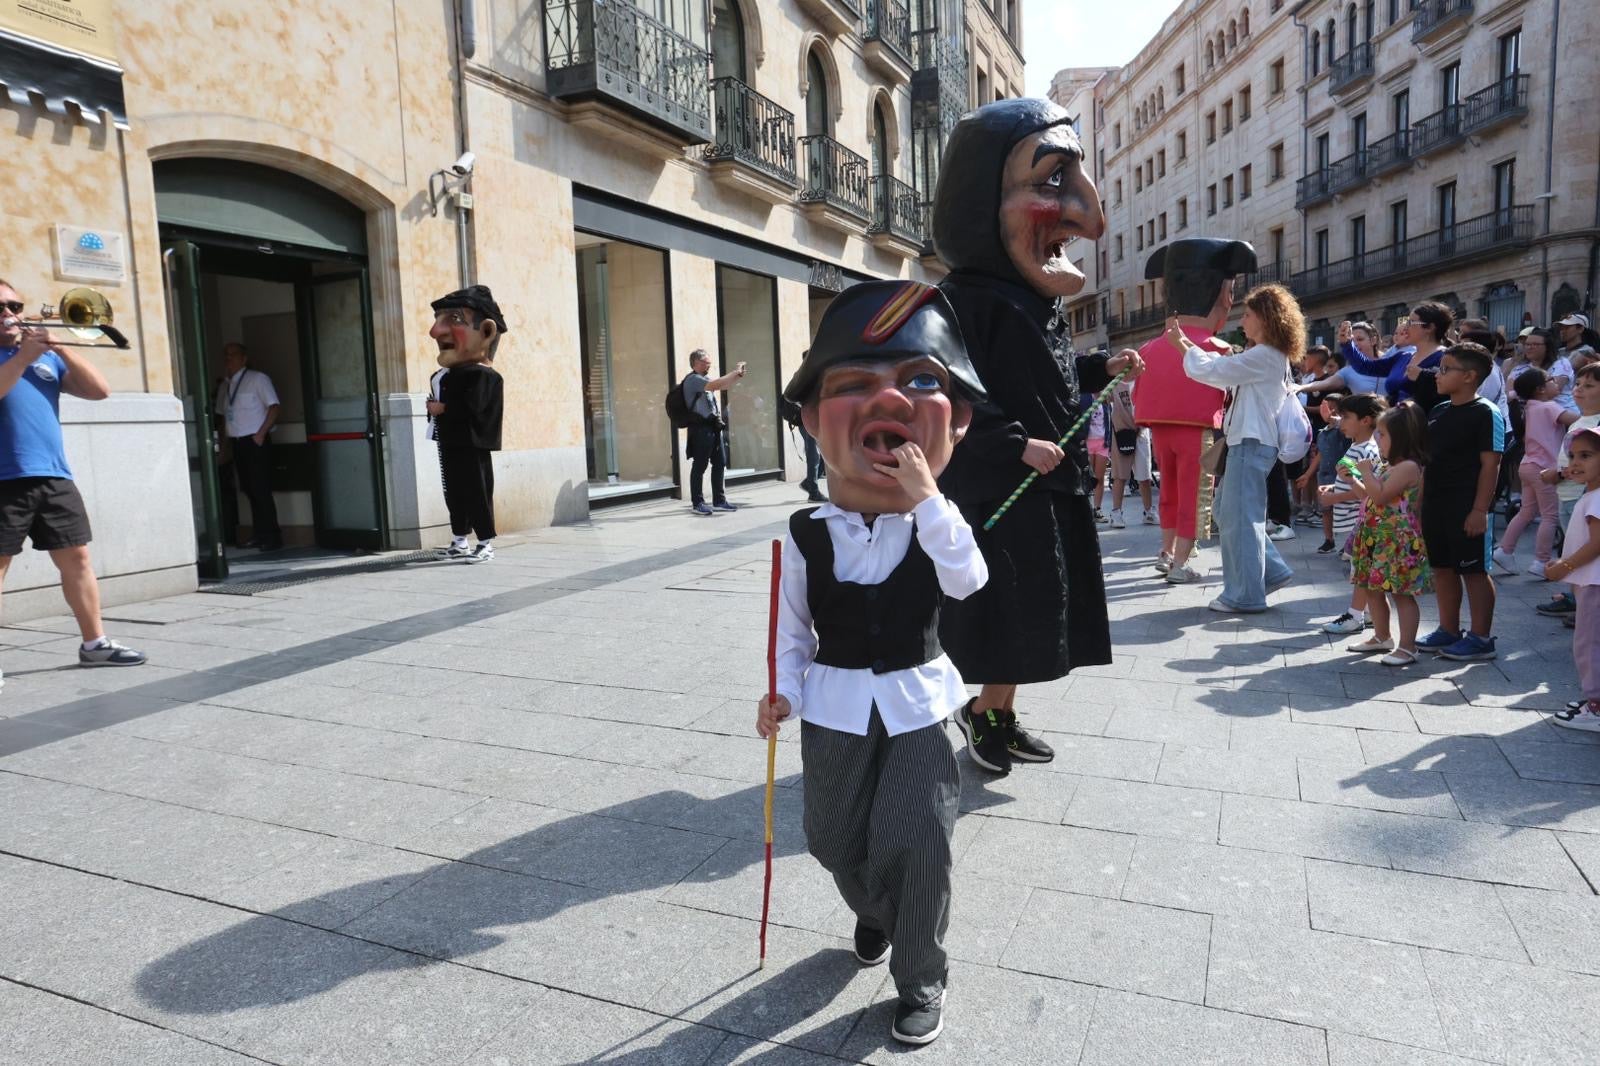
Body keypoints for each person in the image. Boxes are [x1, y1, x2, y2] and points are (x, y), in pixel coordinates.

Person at [757, 280, 988, 1046]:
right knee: (830, 839)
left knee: (920, 841)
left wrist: (925, 500)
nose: (889, 402)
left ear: (956, 420)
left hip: (921, 706)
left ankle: (921, 975)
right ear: (813, 422)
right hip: (834, 707)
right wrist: (780, 694)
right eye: (853, 385)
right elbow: (790, 631)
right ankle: (875, 912)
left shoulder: (938, 523)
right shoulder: (804, 532)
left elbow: (968, 581)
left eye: (921, 382)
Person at [929, 98, 1144, 775]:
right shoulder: (965, 299)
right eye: (1051, 180)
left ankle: (998, 710)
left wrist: (1096, 366)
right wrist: (1014, 442)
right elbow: (946, 390)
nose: (1085, 214)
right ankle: (985, 711)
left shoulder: (1034, 298)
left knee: (1037, 610)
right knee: (1007, 607)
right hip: (1002, 486)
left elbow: (1038, 372)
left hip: (1049, 484)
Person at [0, 278, 147, 681]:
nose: (11, 315)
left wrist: (58, 347)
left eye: (15, 306)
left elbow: (99, 391)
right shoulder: (19, 357)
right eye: (1, 309)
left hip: (53, 473)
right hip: (3, 477)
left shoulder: (44, 356)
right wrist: (22, 358)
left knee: (78, 559)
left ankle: (94, 644)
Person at [1167, 282, 1303, 614]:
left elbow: (1217, 371)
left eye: (1249, 315)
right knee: (1231, 514)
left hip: (1251, 443)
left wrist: (1182, 343)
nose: (1242, 322)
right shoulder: (1267, 356)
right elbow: (1223, 374)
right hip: (1249, 443)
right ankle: (1270, 572)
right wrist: (1184, 343)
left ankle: (1245, 595)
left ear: (1267, 319)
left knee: (1241, 518)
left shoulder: (1265, 356)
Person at [1133, 240, 1251, 584]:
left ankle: (1166, 551)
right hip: (1197, 431)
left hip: (1160, 430)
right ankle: (1181, 563)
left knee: (1168, 491)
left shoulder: (1148, 348)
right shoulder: (1220, 349)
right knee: (1195, 495)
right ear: (1223, 294)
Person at [1417, 343, 1505, 660]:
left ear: (1468, 376)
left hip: (1467, 506)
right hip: (1436, 505)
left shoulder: (1486, 413)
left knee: (1474, 570)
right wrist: (1419, 503)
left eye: (1444, 369)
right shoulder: (1438, 412)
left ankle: (1481, 638)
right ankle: (1448, 629)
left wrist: (1480, 510)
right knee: (1442, 568)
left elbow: (1490, 464)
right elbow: (1429, 462)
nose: (1436, 375)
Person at [1339, 402, 1432, 665]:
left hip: (1396, 541)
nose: (1378, 439)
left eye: (1383, 434)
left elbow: (1380, 496)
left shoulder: (1408, 468)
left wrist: (1366, 472)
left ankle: (1408, 646)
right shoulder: (1387, 465)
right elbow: (1367, 496)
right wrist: (1352, 479)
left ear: (1401, 438)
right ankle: (1382, 636)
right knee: (1371, 588)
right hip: (1376, 537)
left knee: (1401, 593)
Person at [427, 286, 506, 563]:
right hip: (449, 438)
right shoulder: (447, 374)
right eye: (438, 320)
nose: (436, 332)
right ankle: (459, 538)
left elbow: (476, 407)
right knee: (453, 490)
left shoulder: (484, 376)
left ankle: (485, 541)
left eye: (454, 320)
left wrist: (442, 408)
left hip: (472, 442)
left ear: (486, 332)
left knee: (477, 491)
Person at [1494, 369, 1578, 577]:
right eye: (1551, 380)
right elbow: (1575, 420)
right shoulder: (1549, 406)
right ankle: (1541, 561)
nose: (1556, 382)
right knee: (1550, 516)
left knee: (1527, 512)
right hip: (1544, 468)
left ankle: (1505, 550)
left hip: (1528, 465)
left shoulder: (1530, 406)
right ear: (1540, 389)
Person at [1546, 426, 1600, 731]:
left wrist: (1565, 566)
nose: (1576, 462)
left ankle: (1596, 706)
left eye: (1587, 455)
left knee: (1589, 643)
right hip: (1589, 581)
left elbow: (1596, 543)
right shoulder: (1591, 494)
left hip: (1594, 583)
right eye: (1573, 456)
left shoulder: (1596, 498)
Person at [1537, 363, 1600, 618]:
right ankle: (1578, 597)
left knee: (1588, 548)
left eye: (1589, 386)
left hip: (1582, 495)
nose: (1579, 390)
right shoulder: (1579, 420)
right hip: (1569, 495)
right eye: (1577, 384)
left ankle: (1585, 602)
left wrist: (1558, 474)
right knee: (1573, 542)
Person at [1318, 393, 1384, 634]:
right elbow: (1352, 483)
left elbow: (1365, 492)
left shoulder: (1366, 450)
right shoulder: (1358, 446)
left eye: (1346, 417)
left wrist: (1334, 497)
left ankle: (1355, 616)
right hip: (1350, 520)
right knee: (1359, 569)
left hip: (1357, 521)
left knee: (1360, 571)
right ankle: (1368, 614)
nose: (1340, 421)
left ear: (1365, 420)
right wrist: (1335, 487)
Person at [216, 342, 282, 550]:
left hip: (255, 441)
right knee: (248, 489)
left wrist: (261, 434)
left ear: (244, 358)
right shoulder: (225, 386)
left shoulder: (257, 379)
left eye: (233, 355)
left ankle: (272, 537)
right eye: (226, 355)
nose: (229, 358)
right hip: (237, 442)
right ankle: (259, 534)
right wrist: (224, 446)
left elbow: (274, 407)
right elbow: (224, 417)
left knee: (261, 489)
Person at [681, 349, 745, 516]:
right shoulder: (693, 380)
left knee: (720, 463)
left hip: (713, 428)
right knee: (700, 466)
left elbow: (722, 385)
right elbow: (716, 384)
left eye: (709, 362)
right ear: (695, 363)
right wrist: (734, 372)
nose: (709, 364)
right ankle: (698, 503)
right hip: (701, 428)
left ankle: (719, 500)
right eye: (705, 362)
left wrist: (737, 376)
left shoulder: (704, 379)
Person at [1107, 376, 1154, 527]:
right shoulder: (1115, 384)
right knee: (1120, 476)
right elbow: (1101, 397)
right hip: (1123, 433)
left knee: (1144, 476)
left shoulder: (1145, 381)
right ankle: (1116, 513)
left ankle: (1149, 512)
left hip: (1141, 433)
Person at [1312, 390, 1353, 557]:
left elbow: (1346, 436)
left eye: (1334, 409)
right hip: (1324, 475)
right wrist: (1308, 474)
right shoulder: (1322, 433)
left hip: (1342, 476)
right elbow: (1319, 455)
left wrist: (1336, 422)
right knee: (1326, 510)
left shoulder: (1342, 431)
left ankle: (1349, 543)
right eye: (1326, 408)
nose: (1329, 412)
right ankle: (1329, 540)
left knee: (1346, 510)